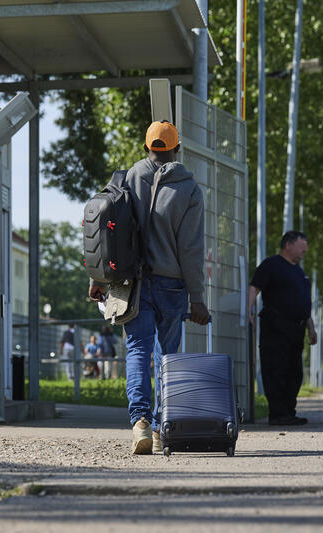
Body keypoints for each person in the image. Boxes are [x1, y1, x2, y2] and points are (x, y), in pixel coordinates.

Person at [88, 120, 210, 455]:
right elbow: (191, 249)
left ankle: (140, 421)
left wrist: (98, 278)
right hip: (172, 284)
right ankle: (160, 426)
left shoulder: (127, 178)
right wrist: (197, 298)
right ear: (177, 149)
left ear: (145, 147)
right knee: (168, 356)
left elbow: (105, 232)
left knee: (138, 350)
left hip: (132, 282)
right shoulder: (190, 190)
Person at [248, 231, 318, 426]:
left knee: (294, 373)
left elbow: (304, 305)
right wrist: (248, 310)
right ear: (288, 244)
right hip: (276, 327)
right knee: (276, 370)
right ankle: (278, 414)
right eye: (302, 245)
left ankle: (288, 412)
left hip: (297, 329)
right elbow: (254, 287)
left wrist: (311, 328)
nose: (306, 250)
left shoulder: (300, 273)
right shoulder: (271, 265)